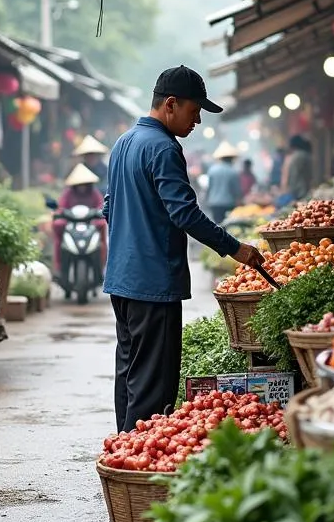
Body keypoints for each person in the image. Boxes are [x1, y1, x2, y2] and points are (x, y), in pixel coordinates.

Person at [104, 66, 264, 434]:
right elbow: (184, 213)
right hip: (153, 284)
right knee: (153, 386)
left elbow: (109, 207)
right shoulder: (163, 147)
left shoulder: (123, 143)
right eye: (195, 112)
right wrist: (234, 247)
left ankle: (124, 451)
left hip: (122, 279)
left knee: (129, 376)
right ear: (171, 105)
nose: (198, 121)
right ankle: (136, 465)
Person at [53, 162, 107, 275]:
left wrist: (99, 213)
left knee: (102, 225)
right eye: (79, 184)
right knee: (58, 225)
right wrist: (60, 212)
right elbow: (61, 206)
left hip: (90, 223)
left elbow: (101, 205)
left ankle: (102, 265)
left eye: (84, 183)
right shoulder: (68, 193)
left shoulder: (94, 193)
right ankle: (58, 265)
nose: (82, 186)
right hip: (71, 223)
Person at [204, 141, 244, 223]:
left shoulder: (212, 170)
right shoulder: (233, 171)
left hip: (214, 203)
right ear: (231, 158)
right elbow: (236, 191)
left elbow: (209, 188)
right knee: (227, 226)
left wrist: (207, 200)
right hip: (228, 204)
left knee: (218, 225)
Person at [282, 134, 313, 202]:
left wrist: (291, 189)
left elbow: (294, 175)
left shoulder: (297, 156)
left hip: (300, 190)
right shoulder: (305, 154)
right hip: (305, 188)